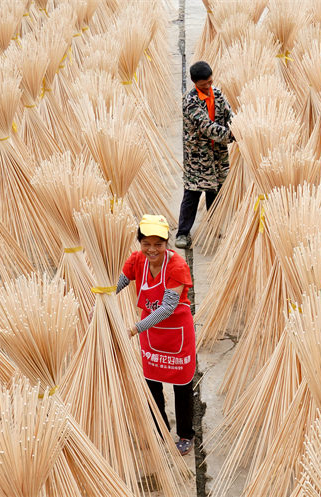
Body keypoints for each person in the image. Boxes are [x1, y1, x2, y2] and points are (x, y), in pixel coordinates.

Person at [116, 214, 197, 455]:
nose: (152, 250)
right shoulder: (136, 260)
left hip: (176, 334)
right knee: (152, 382)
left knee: (182, 385)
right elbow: (117, 283)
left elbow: (168, 307)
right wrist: (101, 301)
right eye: (146, 243)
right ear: (139, 243)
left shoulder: (177, 266)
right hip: (151, 335)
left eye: (158, 244)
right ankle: (159, 429)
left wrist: (134, 328)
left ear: (166, 243)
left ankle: (185, 433)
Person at [176, 60, 234, 249]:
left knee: (215, 192)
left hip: (217, 155)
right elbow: (207, 127)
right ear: (195, 83)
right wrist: (231, 135)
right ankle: (183, 233)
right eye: (204, 85)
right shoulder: (190, 102)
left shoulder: (217, 94)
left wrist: (238, 126)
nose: (208, 87)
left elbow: (229, 115)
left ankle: (214, 229)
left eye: (210, 82)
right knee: (192, 194)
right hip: (198, 157)